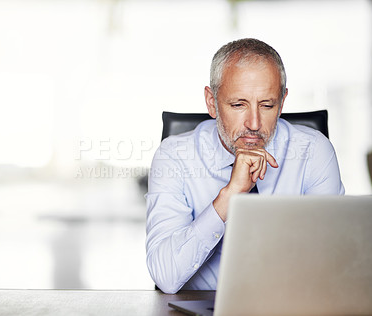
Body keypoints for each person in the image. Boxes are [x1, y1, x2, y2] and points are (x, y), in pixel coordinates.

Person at [145, 38, 344, 294]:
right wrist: (229, 196)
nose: (253, 123)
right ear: (211, 102)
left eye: (267, 105)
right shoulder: (174, 156)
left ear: (282, 102)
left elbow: (335, 264)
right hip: (202, 307)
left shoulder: (314, 151)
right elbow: (166, 276)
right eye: (238, 105)